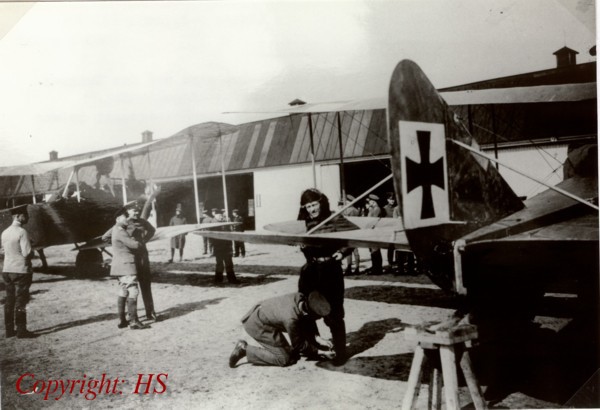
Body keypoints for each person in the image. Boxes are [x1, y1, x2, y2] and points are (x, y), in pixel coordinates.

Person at [297, 188, 354, 365]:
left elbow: (354, 235)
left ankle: (340, 352)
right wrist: (301, 245)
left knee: (334, 313)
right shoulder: (304, 222)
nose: (312, 209)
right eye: (308, 206)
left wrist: (342, 252)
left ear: (321, 203)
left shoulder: (334, 217)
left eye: (314, 205)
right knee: (306, 310)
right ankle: (314, 346)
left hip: (331, 270)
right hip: (311, 271)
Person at [228, 291, 333, 367]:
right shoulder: (290, 319)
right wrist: (320, 352)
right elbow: (298, 345)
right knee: (284, 359)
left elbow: (307, 321)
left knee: (292, 353)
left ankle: (285, 349)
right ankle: (244, 349)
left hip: (266, 318)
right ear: (307, 313)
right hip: (258, 325)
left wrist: (317, 338)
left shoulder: (300, 297)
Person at [105, 207, 149, 330]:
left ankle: (122, 320)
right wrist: (138, 242)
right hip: (127, 265)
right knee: (133, 291)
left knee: (123, 291)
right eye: (125, 217)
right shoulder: (121, 231)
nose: (127, 219)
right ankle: (134, 321)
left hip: (118, 265)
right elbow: (134, 245)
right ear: (118, 218)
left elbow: (104, 238)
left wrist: (118, 246)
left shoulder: (114, 229)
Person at [2, 205, 37, 338]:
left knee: (9, 300)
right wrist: (32, 247)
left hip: (7, 270)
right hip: (21, 271)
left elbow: (3, 251)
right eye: (25, 215)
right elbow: (27, 253)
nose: (27, 217)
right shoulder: (22, 232)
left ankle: (9, 330)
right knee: (21, 301)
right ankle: (22, 330)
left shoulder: (5, 232)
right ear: (18, 216)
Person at [125, 203, 158, 321]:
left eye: (138, 210)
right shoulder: (124, 223)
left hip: (142, 256)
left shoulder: (143, 222)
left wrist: (144, 240)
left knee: (146, 285)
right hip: (130, 257)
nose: (137, 212)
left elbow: (152, 230)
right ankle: (132, 315)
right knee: (130, 287)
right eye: (134, 210)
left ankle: (150, 312)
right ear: (128, 210)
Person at [211, 209, 239, 284]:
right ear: (216, 215)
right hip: (218, 247)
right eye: (220, 215)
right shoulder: (213, 223)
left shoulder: (225, 222)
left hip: (226, 247)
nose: (221, 217)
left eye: (222, 215)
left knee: (229, 263)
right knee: (219, 264)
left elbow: (229, 233)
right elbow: (211, 237)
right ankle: (218, 280)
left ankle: (232, 279)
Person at [341, 195, 361, 276]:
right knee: (356, 251)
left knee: (348, 251)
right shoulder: (356, 210)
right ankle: (357, 268)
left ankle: (349, 269)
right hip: (356, 232)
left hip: (348, 232)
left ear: (349, 202)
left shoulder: (346, 210)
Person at [365, 194, 383, 275]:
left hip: (374, 232)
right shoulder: (373, 209)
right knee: (373, 250)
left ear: (374, 202)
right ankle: (375, 267)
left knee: (375, 251)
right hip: (372, 232)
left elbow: (372, 221)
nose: (369, 203)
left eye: (371, 201)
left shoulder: (376, 209)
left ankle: (377, 269)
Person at [383, 192, 400, 273]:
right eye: (390, 199)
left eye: (393, 199)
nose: (392, 201)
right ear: (387, 200)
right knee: (390, 248)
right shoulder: (385, 208)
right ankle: (390, 264)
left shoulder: (397, 208)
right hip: (389, 230)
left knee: (398, 247)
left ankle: (398, 263)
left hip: (397, 230)